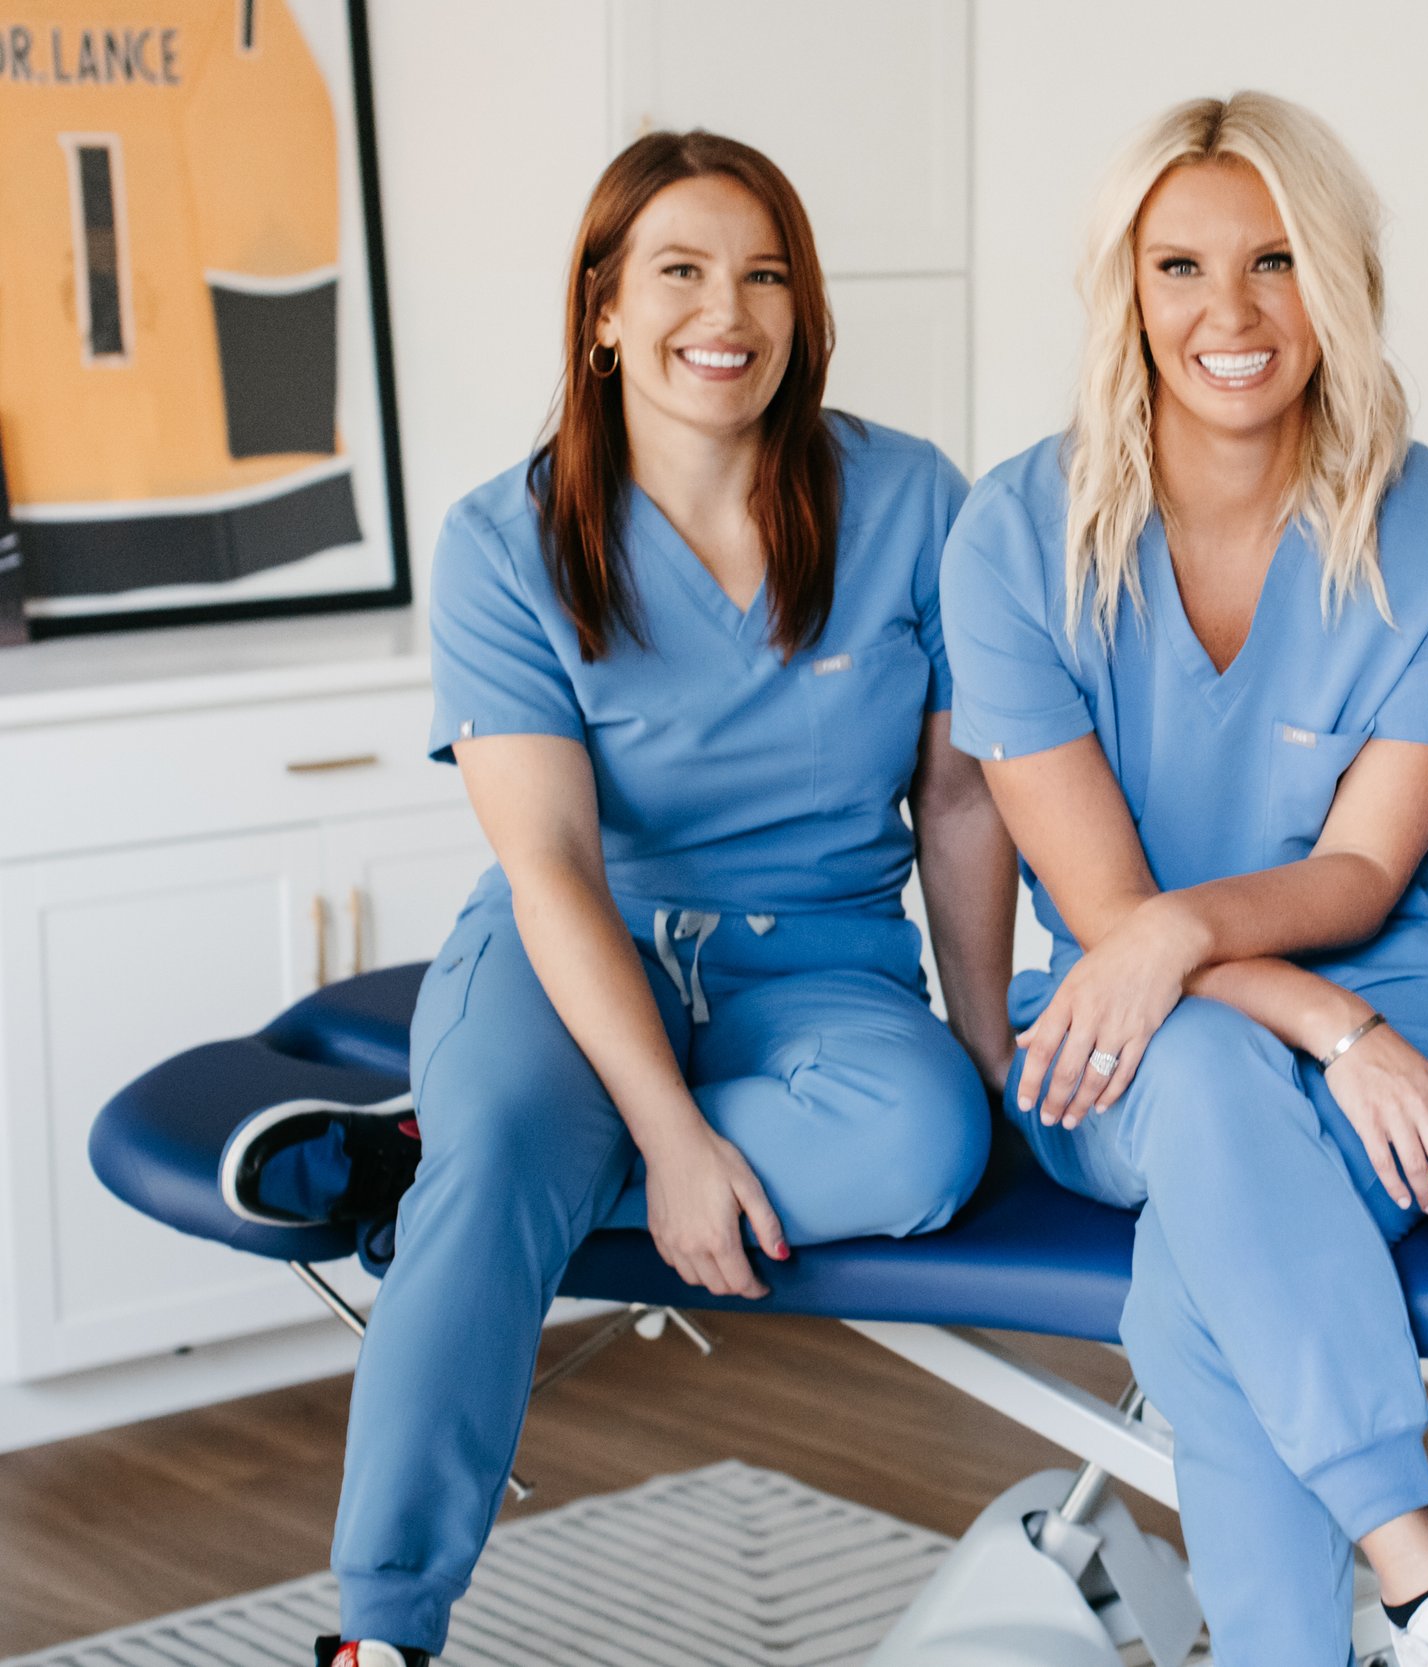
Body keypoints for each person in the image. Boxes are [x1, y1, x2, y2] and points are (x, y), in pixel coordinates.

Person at [219, 131, 1016, 1667]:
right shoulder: (499, 542)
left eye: (765, 273)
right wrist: (668, 1136)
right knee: (523, 1131)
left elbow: (965, 798)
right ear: (600, 310)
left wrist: (982, 1049)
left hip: (827, 971)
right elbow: (554, 869)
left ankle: (438, 1172)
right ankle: (384, 1634)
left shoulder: (915, 500)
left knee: (924, 1143)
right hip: (575, 956)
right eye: (682, 271)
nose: (730, 310)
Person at [941, 93, 1428, 1667]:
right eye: (1182, 267)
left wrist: (1273, 978)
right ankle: (1425, 1579)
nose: (1231, 313)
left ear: (1338, 281)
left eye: (1275, 261)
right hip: (1126, 1030)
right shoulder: (1011, 539)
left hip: (1397, 1010)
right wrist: (1303, 1022)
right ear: (1125, 294)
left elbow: (1361, 869)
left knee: (1199, 1290)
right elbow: (1101, 919)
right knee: (1209, 1081)